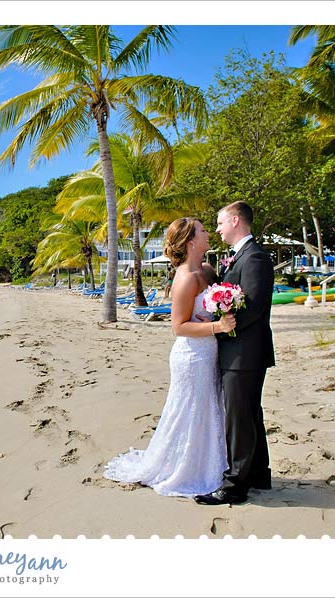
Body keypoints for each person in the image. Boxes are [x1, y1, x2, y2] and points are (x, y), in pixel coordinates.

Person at [103, 218, 236, 496]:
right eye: (202, 231)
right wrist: (218, 326)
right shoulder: (185, 278)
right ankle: (186, 468)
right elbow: (179, 326)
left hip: (209, 352)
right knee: (189, 411)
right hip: (191, 356)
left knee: (209, 409)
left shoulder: (208, 272)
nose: (208, 233)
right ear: (190, 242)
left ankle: (211, 463)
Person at [194, 200, 275, 506]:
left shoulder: (254, 258)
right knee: (250, 414)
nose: (217, 229)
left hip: (245, 352)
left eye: (220, 223)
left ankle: (234, 486)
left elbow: (252, 308)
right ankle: (257, 474)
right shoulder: (242, 257)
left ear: (235, 221)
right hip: (243, 352)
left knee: (239, 418)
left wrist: (220, 324)